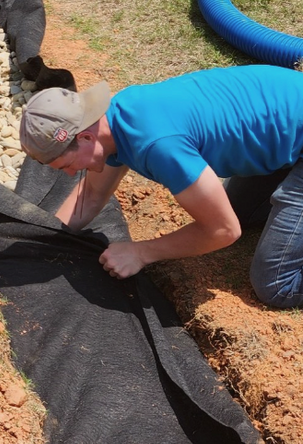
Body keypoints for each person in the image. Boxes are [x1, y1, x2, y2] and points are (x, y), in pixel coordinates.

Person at [19, 65, 303, 307]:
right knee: (238, 211)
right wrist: (49, 242)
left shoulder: (158, 145)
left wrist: (141, 252)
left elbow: (224, 231)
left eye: (66, 165)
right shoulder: (113, 121)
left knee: (275, 285)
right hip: (288, 123)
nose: (70, 175)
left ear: (85, 138)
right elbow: (91, 195)